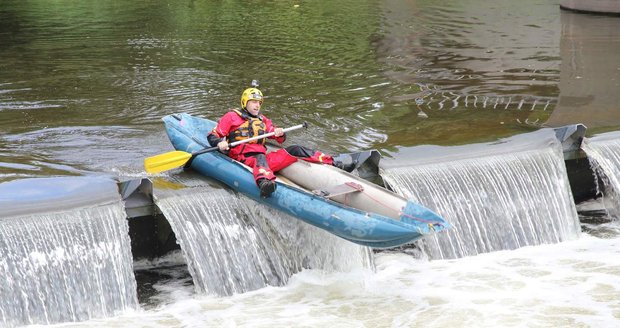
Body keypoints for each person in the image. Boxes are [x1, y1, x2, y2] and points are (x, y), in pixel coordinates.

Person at [207, 87, 355, 198]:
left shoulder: (263, 120)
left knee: (295, 149)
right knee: (260, 158)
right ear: (245, 102)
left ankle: (334, 161)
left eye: (259, 102)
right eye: (253, 102)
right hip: (243, 158)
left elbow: (279, 138)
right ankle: (265, 182)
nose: (257, 105)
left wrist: (280, 133)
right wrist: (220, 143)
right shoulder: (231, 117)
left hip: (263, 159)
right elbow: (213, 135)